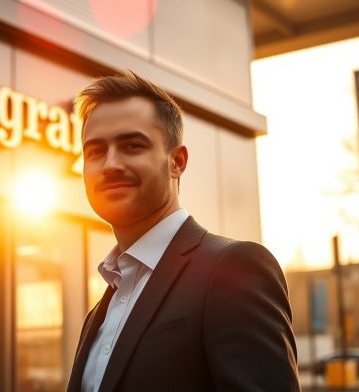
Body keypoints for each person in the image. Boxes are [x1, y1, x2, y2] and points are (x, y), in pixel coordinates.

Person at [67, 71, 300, 391]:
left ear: (176, 162)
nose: (110, 165)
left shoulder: (234, 268)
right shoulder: (97, 316)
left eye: (132, 146)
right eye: (95, 151)